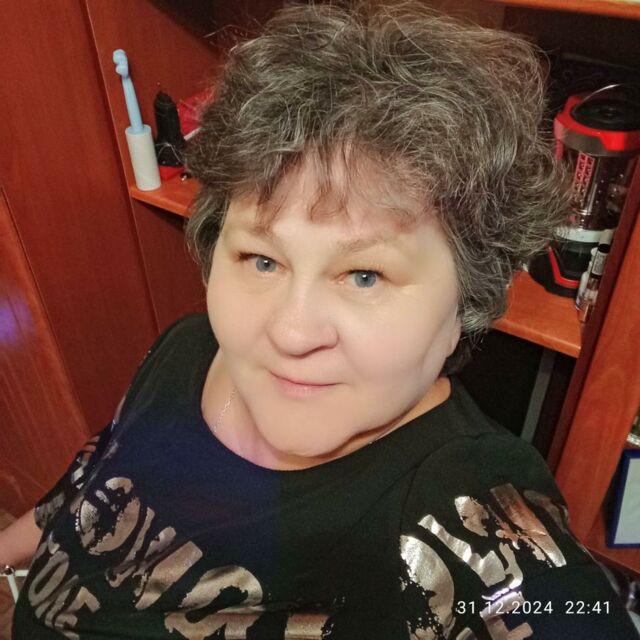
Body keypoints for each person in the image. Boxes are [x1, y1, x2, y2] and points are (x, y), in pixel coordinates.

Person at [2, 1, 639, 638]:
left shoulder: (464, 519)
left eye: (365, 275)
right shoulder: (186, 350)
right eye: (261, 260)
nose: (291, 332)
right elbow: (86, 491)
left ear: (467, 299)